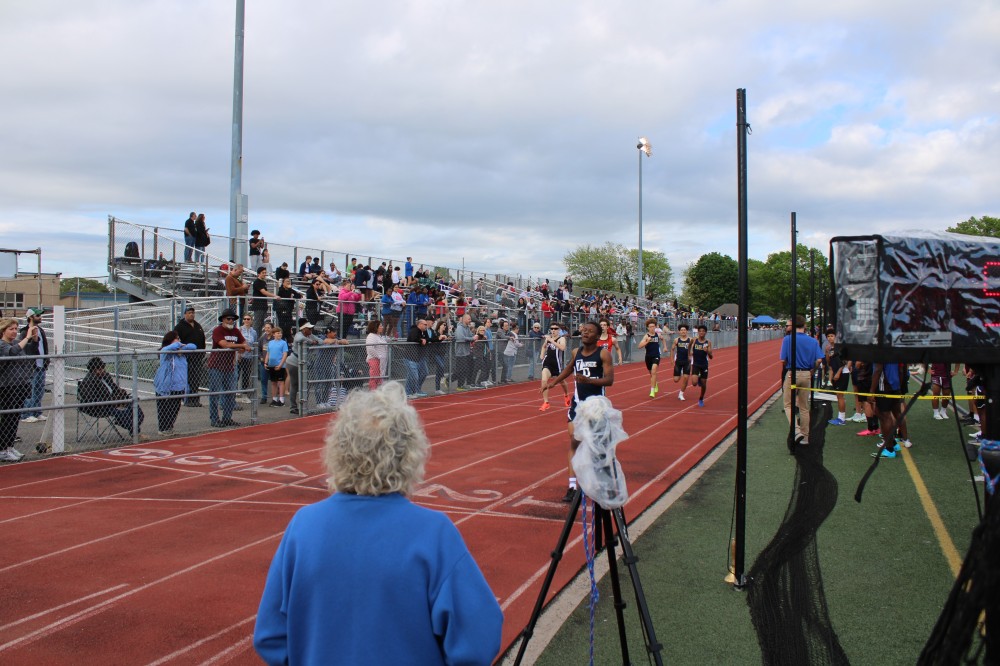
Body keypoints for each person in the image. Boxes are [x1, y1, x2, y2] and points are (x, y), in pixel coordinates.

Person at [253, 381, 503, 665]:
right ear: (409, 453)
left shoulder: (303, 526)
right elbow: (477, 639)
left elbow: (270, 635)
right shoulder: (434, 533)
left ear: (338, 450)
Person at [543, 321, 614, 501]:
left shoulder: (603, 354)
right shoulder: (576, 352)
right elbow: (568, 369)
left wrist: (589, 381)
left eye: (590, 331)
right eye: (584, 330)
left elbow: (609, 380)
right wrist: (553, 383)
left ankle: (599, 480)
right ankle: (572, 487)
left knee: (595, 446)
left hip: (596, 406)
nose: (585, 333)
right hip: (578, 405)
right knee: (575, 441)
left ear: (597, 336)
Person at [779, 315, 824, 445]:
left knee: (788, 404)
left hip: (792, 373)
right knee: (804, 407)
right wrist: (812, 370)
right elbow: (819, 360)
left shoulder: (788, 339)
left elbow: (783, 359)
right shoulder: (813, 341)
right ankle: (805, 437)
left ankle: (796, 430)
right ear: (804, 325)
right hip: (806, 374)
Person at [79, 357, 145, 438]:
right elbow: (90, 399)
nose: (102, 371)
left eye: (103, 368)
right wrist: (112, 402)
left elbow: (115, 389)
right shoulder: (88, 381)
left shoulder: (106, 377)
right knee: (121, 413)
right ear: (93, 370)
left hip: (114, 402)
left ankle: (129, 425)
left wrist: (122, 395)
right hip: (100, 407)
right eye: (99, 369)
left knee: (135, 407)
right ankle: (135, 433)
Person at [207, 309, 251, 428]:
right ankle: (214, 419)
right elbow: (224, 344)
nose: (231, 321)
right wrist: (241, 346)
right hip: (216, 366)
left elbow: (244, 343)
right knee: (215, 394)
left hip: (230, 366)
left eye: (233, 319)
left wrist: (242, 347)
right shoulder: (218, 330)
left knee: (231, 393)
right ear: (223, 319)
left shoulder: (236, 331)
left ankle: (227, 418)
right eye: (228, 319)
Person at [0, 317, 35, 461]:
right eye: (11, 329)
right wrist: (27, 337)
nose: (14, 332)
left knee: (15, 418)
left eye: (16, 329)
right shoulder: (2, 345)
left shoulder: (16, 343)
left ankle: (9, 446)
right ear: (3, 330)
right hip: (7, 387)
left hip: (20, 385)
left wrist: (34, 338)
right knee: (7, 418)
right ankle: (2, 449)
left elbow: (27, 351)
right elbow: (12, 352)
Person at [154, 331, 195, 435]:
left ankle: (169, 427)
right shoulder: (165, 352)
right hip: (166, 386)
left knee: (175, 408)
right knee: (164, 409)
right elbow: (166, 349)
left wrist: (182, 348)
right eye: (176, 338)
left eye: (179, 339)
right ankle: (163, 428)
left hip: (179, 386)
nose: (179, 341)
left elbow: (193, 346)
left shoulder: (181, 354)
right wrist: (178, 345)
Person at [19, 307, 49, 423]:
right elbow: (24, 348)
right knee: (30, 391)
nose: (40, 317)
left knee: (39, 390)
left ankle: (37, 412)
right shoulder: (24, 331)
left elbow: (44, 346)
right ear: (31, 317)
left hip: (41, 365)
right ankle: (26, 413)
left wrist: (46, 360)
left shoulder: (40, 330)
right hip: (31, 366)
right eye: (37, 315)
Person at [174, 306, 206, 407]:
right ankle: (187, 399)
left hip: (198, 356)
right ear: (185, 314)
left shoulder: (197, 325)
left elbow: (202, 339)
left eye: (192, 312)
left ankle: (195, 399)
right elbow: (176, 340)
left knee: (196, 378)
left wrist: (203, 352)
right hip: (186, 357)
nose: (191, 314)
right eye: (189, 313)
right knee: (188, 378)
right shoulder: (179, 327)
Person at [286, 320, 319, 415]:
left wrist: (314, 341)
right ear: (304, 329)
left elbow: (320, 341)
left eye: (311, 328)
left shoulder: (310, 335)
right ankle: (293, 407)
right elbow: (299, 339)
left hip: (304, 363)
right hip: (294, 362)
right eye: (309, 328)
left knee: (305, 384)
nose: (311, 330)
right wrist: (311, 342)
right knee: (295, 385)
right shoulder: (299, 334)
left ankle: (304, 405)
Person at [538, 322, 570, 411]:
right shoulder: (548, 338)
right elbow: (544, 347)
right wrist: (542, 355)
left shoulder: (561, 338)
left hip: (557, 365)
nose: (553, 330)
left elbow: (562, 348)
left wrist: (552, 341)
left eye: (555, 329)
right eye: (552, 329)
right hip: (547, 363)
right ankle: (546, 402)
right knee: (544, 380)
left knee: (562, 382)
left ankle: (566, 395)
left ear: (559, 330)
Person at [825, 330, 850, 426]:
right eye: (828, 336)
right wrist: (827, 352)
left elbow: (844, 361)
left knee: (840, 396)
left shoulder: (840, 347)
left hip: (842, 373)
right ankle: (840, 417)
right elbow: (828, 362)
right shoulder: (830, 348)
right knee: (838, 396)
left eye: (832, 336)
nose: (830, 338)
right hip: (835, 372)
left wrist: (838, 373)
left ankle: (842, 419)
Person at [637, 318, 664, 399]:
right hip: (648, 356)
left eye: (653, 326)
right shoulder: (646, 336)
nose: (652, 328)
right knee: (651, 373)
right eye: (650, 327)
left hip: (656, 355)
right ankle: (655, 383)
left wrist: (665, 347)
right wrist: (647, 341)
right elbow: (639, 346)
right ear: (648, 328)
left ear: (655, 327)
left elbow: (663, 339)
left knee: (654, 370)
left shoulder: (657, 335)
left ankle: (652, 391)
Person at [690, 324, 714, 407]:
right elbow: (689, 346)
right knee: (694, 383)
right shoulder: (694, 340)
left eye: (703, 331)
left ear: (705, 332)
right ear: (698, 332)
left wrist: (707, 351)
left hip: (704, 365)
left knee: (703, 384)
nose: (701, 333)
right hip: (696, 364)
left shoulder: (708, 342)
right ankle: (698, 378)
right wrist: (689, 353)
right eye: (700, 331)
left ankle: (701, 398)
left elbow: (711, 357)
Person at [405, 319, 429, 397]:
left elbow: (427, 339)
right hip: (410, 357)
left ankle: (416, 389)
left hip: (420, 356)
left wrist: (425, 340)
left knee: (424, 372)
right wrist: (421, 340)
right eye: (425, 324)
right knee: (413, 375)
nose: (426, 326)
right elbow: (414, 338)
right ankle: (408, 392)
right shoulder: (414, 330)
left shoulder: (424, 331)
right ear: (420, 324)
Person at [264, 328, 289, 406]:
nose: (280, 334)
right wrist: (266, 362)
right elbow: (268, 353)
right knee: (273, 382)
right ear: (273, 334)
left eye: (280, 333)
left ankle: (281, 400)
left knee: (281, 382)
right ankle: (274, 399)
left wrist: (281, 365)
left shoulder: (283, 343)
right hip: (271, 365)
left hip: (280, 365)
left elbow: (285, 354)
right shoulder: (270, 343)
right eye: (278, 333)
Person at [251, 266, 278, 336]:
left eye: (265, 272)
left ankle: (259, 338)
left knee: (261, 324)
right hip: (258, 305)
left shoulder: (263, 282)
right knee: (257, 323)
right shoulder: (257, 282)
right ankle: (255, 338)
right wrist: (274, 296)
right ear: (258, 274)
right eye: (263, 273)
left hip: (263, 305)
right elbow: (263, 292)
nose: (264, 274)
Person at [237, 314, 258, 404]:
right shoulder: (239, 330)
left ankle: (244, 395)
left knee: (246, 376)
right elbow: (236, 341)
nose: (246, 320)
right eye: (245, 319)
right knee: (236, 375)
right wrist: (238, 353)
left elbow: (255, 343)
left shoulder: (254, 332)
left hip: (249, 356)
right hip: (240, 356)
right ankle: (233, 394)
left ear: (251, 321)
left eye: (248, 319)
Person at [670, 324, 693, 400]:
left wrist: (692, 354)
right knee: (676, 380)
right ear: (679, 331)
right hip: (678, 361)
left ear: (687, 331)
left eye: (684, 330)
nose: (683, 331)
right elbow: (672, 349)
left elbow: (694, 349)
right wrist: (671, 359)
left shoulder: (690, 340)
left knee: (686, 378)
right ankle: (680, 372)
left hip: (687, 362)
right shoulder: (676, 340)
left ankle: (681, 394)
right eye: (681, 330)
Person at [365, 320, 389, 391]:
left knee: (380, 378)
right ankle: (373, 392)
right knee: (374, 377)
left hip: (381, 361)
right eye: (380, 326)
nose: (382, 327)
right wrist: (379, 357)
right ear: (376, 327)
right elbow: (370, 349)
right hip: (375, 360)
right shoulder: (371, 336)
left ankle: (379, 392)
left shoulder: (379, 336)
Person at [430, 319, 450, 394]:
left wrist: (447, 337)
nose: (445, 326)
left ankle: (437, 389)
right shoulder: (435, 333)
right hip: (435, 353)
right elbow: (434, 340)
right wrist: (440, 337)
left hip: (442, 354)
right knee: (441, 366)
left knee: (438, 371)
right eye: (443, 325)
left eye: (445, 325)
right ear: (439, 325)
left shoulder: (445, 333)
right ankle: (443, 378)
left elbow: (450, 337)